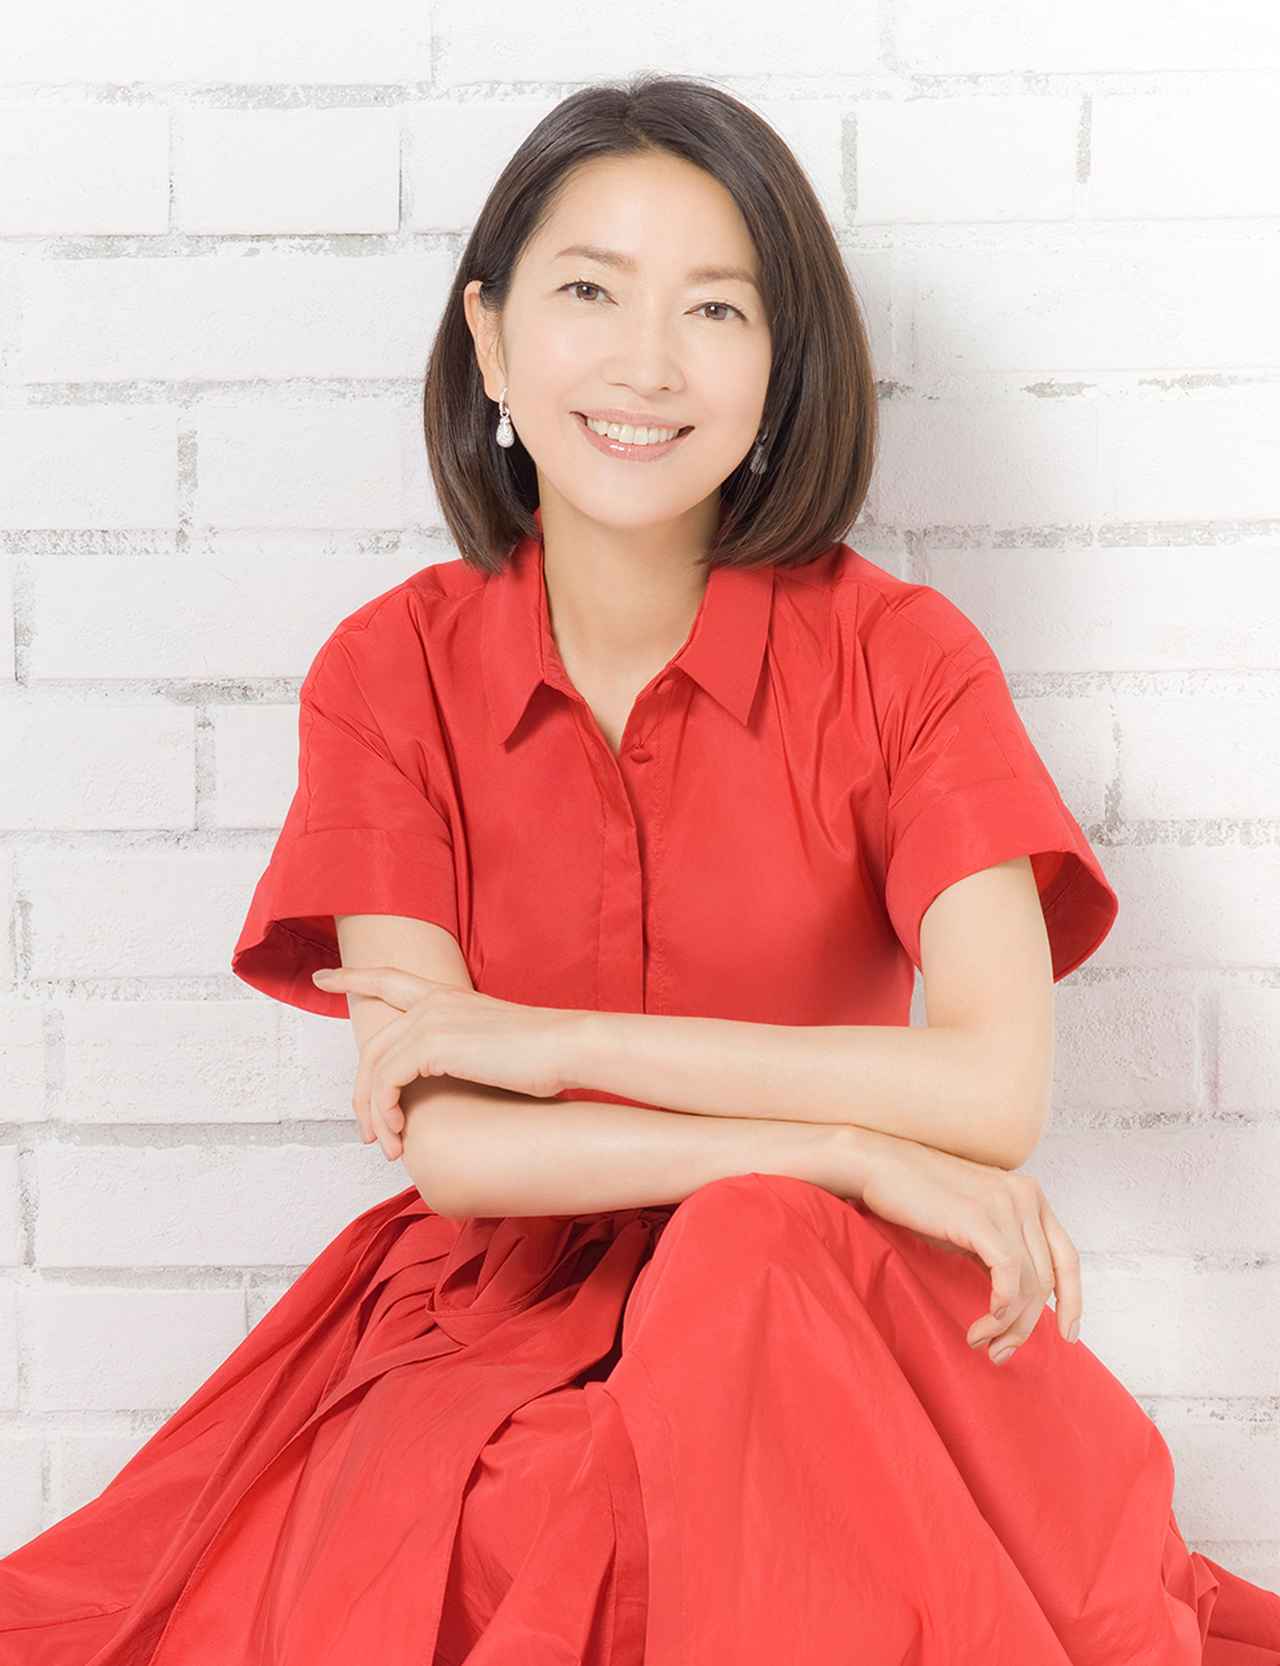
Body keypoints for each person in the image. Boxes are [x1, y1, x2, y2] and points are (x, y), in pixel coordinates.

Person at [2, 71, 1277, 1666]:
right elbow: (455, 1143)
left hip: (840, 1308)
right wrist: (843, 1142)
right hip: (503, 1320)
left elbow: (993, 1088)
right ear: (488, 338)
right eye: (590, 292)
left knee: (749, 1254)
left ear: (783, 365)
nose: (647, 363)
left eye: (716, 309)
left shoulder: (905, 658)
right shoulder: (386, 675)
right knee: (535, 1504)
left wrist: (559, 1045)